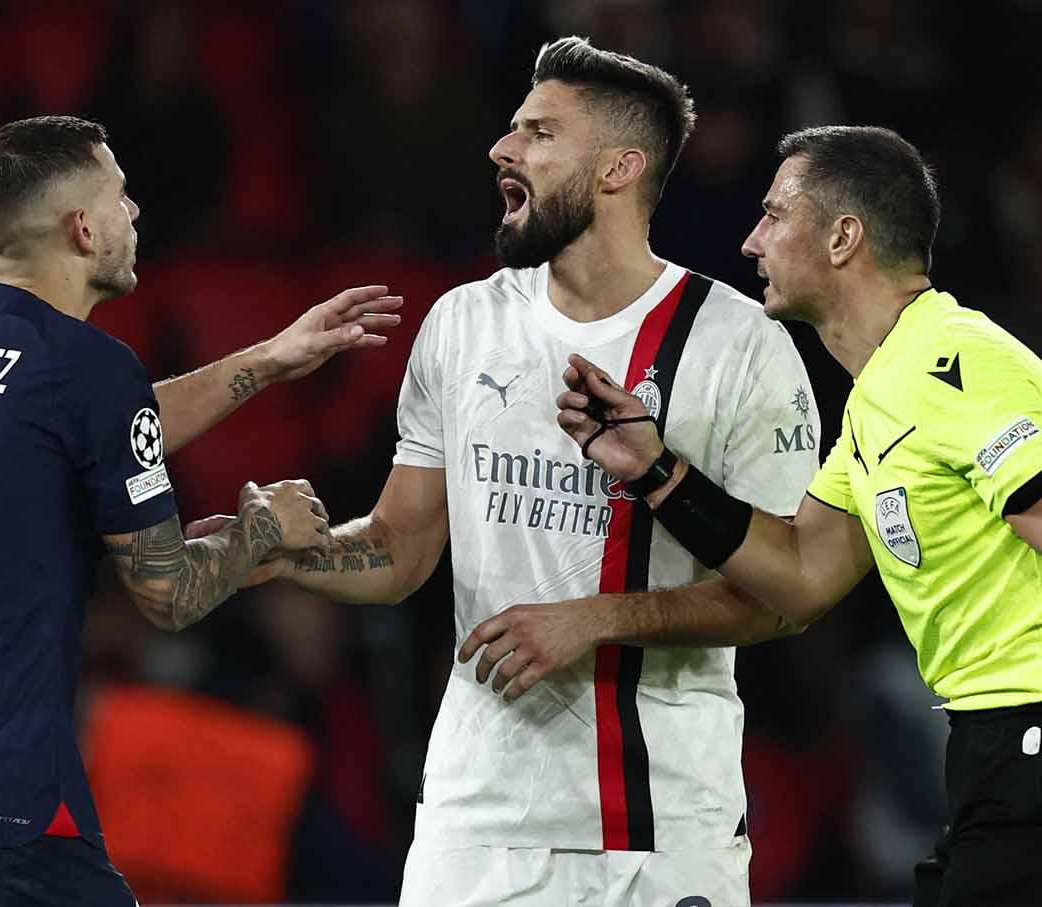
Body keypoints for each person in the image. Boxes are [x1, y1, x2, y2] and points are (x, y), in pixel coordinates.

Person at [549, 125, 1042, 906]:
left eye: (773, 214)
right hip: (1005, 753)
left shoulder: (949, 364)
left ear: (843, 236)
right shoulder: (878, 402)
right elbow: (799, 575)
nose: (751, 239)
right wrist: (658, 471)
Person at [249, 37, 818, 907]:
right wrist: (283, 552)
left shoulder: (740, 345)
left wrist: (595, 618)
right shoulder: (461, 324)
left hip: (660, 826)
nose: (503, 149)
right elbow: (401, 547)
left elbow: (782, 594)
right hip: (475, 825)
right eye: (514, 128)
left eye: (541, 134)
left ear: (618, 169)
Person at [0, 115, 403, 907]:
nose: (134, 214)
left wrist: (265, 362)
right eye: (120, 196)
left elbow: (80, 434)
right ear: (82, 228)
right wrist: (265, 527)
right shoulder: (89, 367)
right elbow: (169, 594)